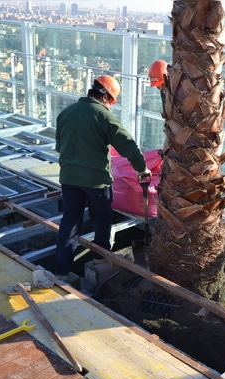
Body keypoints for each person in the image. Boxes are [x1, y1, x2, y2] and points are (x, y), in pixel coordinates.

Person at [55, 74, 151, 279]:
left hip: (69, 179)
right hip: (96, 182)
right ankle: (100, 259)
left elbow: (59, 146)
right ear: (107, 97)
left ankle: (62, 272)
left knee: (69, 223)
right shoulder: (104, 116)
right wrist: (142, 168)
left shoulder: (66, 113)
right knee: (102, 219)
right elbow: (128, 146)